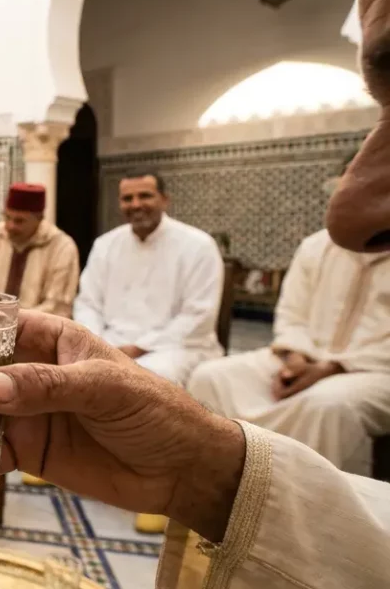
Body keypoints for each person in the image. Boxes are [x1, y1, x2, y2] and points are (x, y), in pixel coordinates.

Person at [188, 197, 390, 476]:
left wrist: (331, 367)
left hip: (375, 371)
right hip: (301, 357)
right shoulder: (316, 246)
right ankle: (219, 483)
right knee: (210, 377)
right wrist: (296, 359)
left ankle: (310, 507)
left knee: (326, 406)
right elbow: (291, 314)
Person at [73, 172, 224, 386]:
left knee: (143, 380)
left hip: (177, 348)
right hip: (110, 343)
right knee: (69, 371)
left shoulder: (199, 246)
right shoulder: (105, 244)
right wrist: (96, 343)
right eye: (127, 199)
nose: (136, 204)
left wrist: (137, 348)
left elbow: (198, 316)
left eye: (145, 196)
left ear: (165, 200)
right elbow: (87, 304)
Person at [0, 182, 80, 318]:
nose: (10, 226)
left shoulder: (62, 247)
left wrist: (9, 320)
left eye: (19, 221)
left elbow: (57, 308)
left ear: (39, 219)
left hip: (36, 331)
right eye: (7, 217)